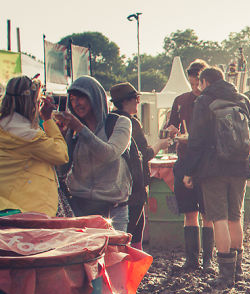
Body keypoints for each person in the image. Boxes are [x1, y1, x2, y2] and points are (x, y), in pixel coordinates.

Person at [178, 66, 250, 288]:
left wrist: (189, 171)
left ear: (205, 81)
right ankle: (238, 269)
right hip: (240, 166)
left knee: (219, 217)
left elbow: (197, 139)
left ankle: (225, 274)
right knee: (236, 216)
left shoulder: (204, 100)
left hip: (213, 168)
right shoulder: (242, 99)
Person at [56, 76, 132, 231]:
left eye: (81, 97)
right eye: (72, 99)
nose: (76, 103)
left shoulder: (120, 123)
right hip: (79, 207)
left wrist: (80, 129)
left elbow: (109, 154)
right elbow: (62, 169)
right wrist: (62, 137)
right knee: (85, 254)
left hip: (113, 209)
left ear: (95, 97)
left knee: (114, 254)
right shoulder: (74, 130)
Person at [110, 82, 172, 248]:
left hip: (124, 183)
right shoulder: (130, 122)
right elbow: (144, 154)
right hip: (134, 185)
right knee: (132, 230)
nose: (139, 101)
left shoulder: (112, 120)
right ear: (126, 101)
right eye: (136, 98)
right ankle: (132, 268)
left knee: (136, 228)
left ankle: (137, 267)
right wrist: (160, 144)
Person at [166, 59, 213, 270]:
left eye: (198, 84)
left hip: (206, 163)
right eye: (192, 84)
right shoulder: (180, 100)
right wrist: (173, 132)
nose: (195, 88)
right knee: (189, 212)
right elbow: (171, 127)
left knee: (208, 213)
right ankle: (192, 259)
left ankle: (208, 260)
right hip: (184, 159)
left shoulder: (211, 101)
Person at [0, 75, 68, 215]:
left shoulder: (5, 127)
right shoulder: (28, 136)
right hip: (28, 211)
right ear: (31, 103)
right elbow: (61, 154)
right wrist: (48, 120)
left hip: (7, 206)